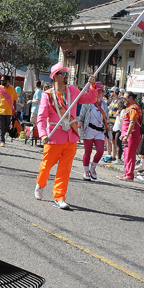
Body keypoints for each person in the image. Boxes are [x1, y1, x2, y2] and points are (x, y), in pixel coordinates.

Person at [35, 63, 97, 209]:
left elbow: (90, 99)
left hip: (71, 136)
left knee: (65, 169)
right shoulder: (47, 95)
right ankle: (40, 183)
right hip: (53, 136)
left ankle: (59, 197)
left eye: (66, 73)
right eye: (62, 73)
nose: (65, 76)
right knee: (46, 166)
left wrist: (92, 86)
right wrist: (43, 134)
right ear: (55, 76)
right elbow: (41, 117)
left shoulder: (73, 91)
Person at [78, 82, 108, 181]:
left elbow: (106, 118)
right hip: (89, 129)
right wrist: (80, 126)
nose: (100, 93)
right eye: (98, 91)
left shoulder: (104, 104)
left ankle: (93, 167)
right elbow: (81, 116)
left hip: (99, 130)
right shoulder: (88, 103)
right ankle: (86, 170)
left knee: (100, 150)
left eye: (101, 91)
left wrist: (108, 131)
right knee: (88, 151)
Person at [118, 91, 142, 181]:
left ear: (130, 98)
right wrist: (122, 134)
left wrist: (126, 135)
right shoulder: (129, 107)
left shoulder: (134, 108)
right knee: (126, 154)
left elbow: (132, 122)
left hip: (132, 135)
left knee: (130, 154)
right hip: (127, 135)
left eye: (125, 98)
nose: (124, 99)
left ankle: (130, 174)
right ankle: (126, 172)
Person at [0, 76, 17, 146]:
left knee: (6, 127)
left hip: (9, 111)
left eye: (3, 80)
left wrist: (15, 109)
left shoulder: (12, 89)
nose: (2, 82)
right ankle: (2, 141)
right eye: (1, 80)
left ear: (8, 81)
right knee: (1, 125)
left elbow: (14, 100)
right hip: (0, 111)